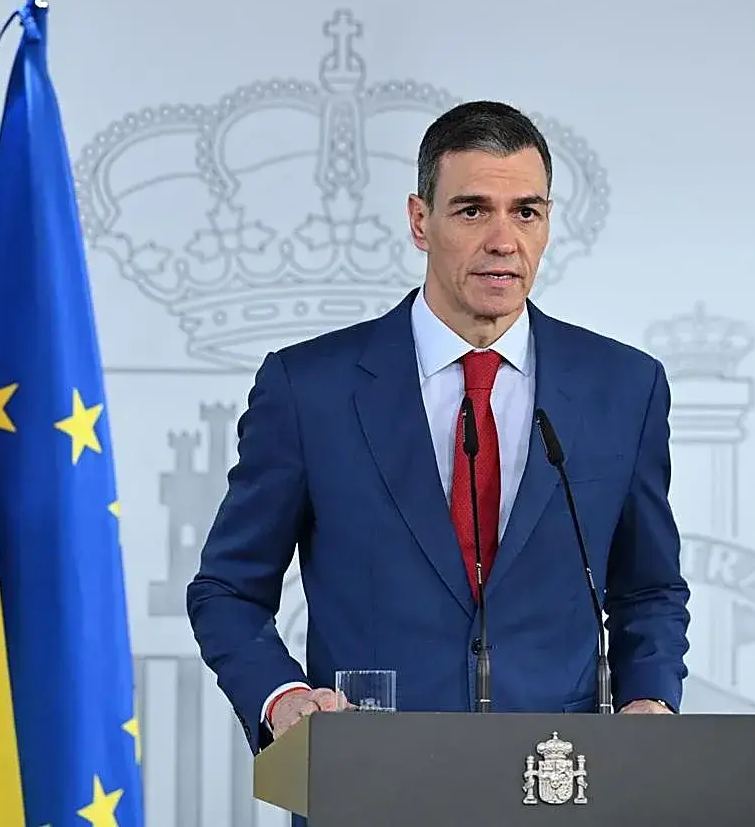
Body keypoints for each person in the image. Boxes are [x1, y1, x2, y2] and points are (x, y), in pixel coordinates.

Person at [187, 100, 691, 758]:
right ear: (420, 221)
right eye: (473, 210)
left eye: (526, 212)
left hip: (557, 777)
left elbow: (649, 588)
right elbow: (228, 590)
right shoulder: (309, 389)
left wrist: (650, 699)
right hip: (368, 773)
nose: (503, 241)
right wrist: (283, 699)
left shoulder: (623, 387)